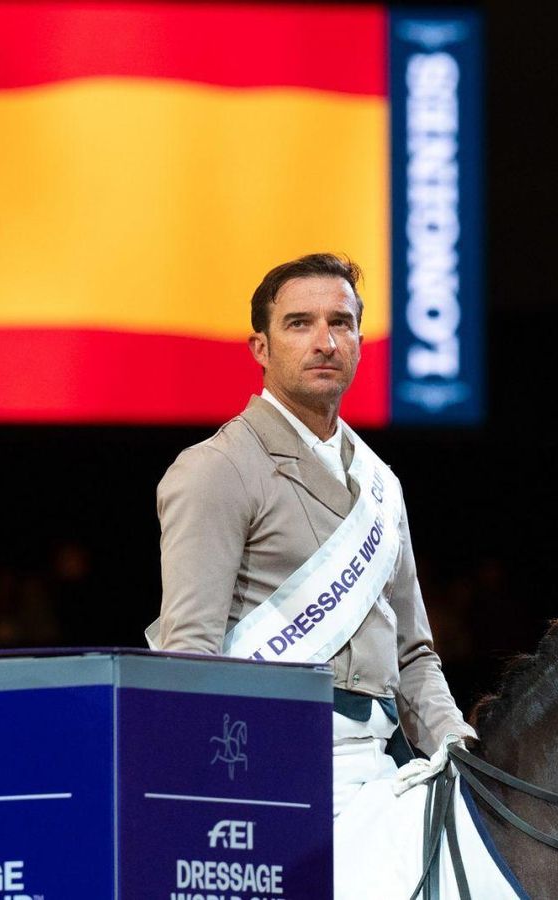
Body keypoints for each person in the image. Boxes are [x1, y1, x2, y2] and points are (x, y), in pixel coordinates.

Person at [148, 252, 476, 816]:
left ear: (358, 340)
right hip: (269, 763)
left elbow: (414, 654)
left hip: (383, 769)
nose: (324, 341)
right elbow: (189, 656)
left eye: (340, 323)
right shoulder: (216, 468)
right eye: (300, 323)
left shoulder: (381, 483)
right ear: (261, 348)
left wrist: (457, 742)